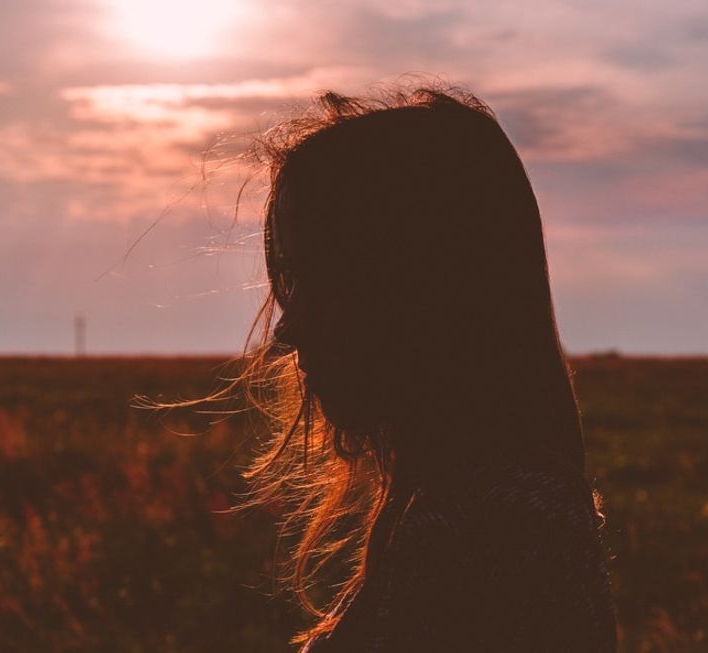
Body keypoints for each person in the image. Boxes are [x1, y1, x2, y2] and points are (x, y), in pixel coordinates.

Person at [229, 85, 617, 651]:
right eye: (291, 280)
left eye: (326, 278)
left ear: (425, 287)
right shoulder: (471, 506)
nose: (287, 328)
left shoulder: (497, 526)